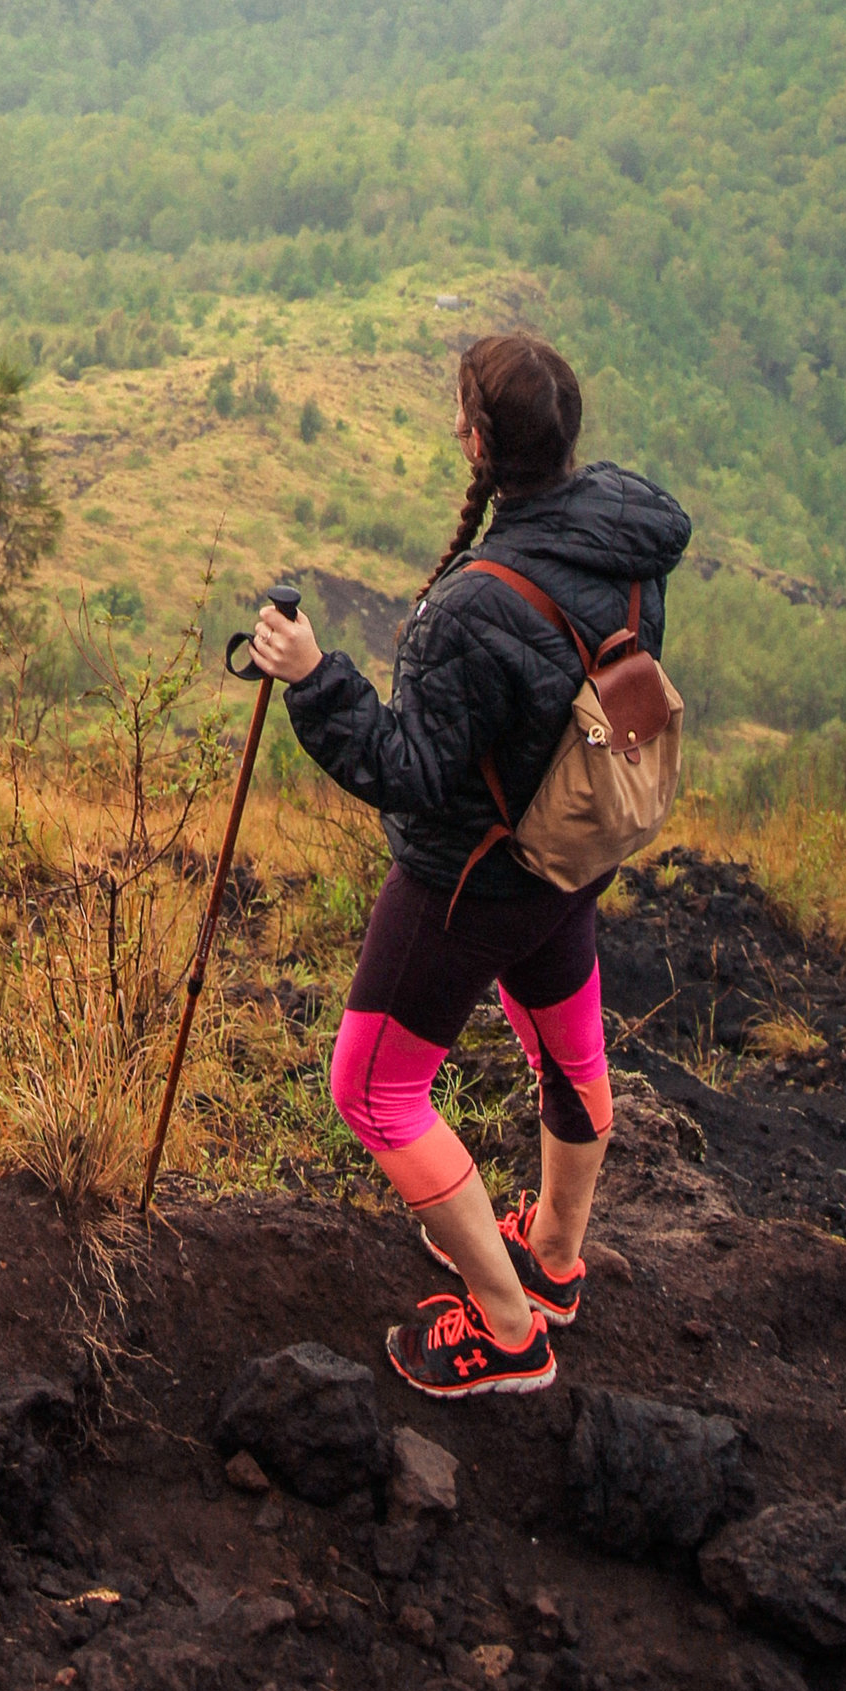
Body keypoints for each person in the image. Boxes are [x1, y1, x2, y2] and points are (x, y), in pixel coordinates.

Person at [246, 330, 688, 1400]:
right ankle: (553, 1259)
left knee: (372, 1088)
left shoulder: (474, 604)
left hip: (470, 879)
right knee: (566, 1049)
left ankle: (506, 1332)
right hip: (571, 853)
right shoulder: (627, 531)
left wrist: (313, 677)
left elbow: (409, 770)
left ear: (477, 440)